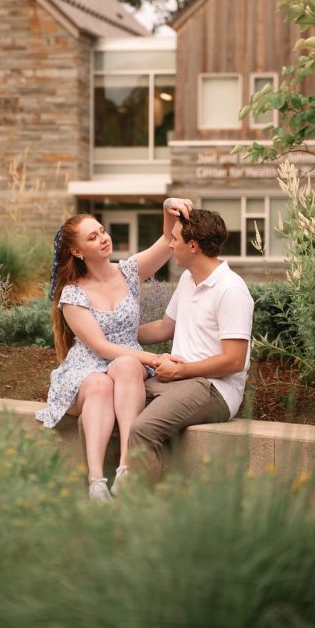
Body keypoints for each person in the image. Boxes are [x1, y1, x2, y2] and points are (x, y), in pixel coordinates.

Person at [36, 198, 193, 501]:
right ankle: (96, 482)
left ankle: (126, 468)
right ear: (77, 251)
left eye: (102, 231)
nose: (103, 238)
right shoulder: (72, 294)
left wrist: (167, 207)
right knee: (99, 384)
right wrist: (155, 357)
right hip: (87, 367)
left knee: (126, 366)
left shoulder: (129, 271)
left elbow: (166, 241)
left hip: (126, 362)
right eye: (92, 237)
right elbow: (100, 346)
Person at [131, 208, 254, 483]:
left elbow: (234, 361)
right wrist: (113, 337)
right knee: (115, 402)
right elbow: (164, 328)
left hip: (214, 389)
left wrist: (180, 371)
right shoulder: (188, 279)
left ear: (193, 246)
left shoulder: (231, 290)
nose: (171, 244)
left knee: (141, 429)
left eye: (175, 239)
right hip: (178, 379)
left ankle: (140, 514)